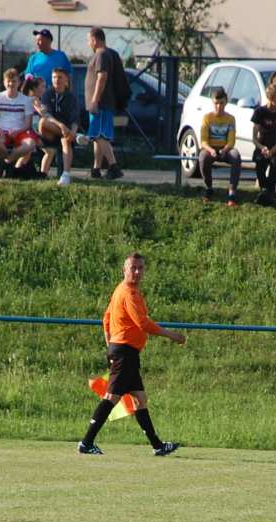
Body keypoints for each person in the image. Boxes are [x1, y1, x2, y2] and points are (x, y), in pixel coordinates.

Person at [79, 252, 186, 456]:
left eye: (140, 268)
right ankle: (86, 442)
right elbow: (143, 323)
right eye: (133, 268)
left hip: (124, 351)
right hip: (125, 352)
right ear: (124, 270)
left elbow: (106, 318)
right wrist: (171, 335)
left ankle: (157, 446)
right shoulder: (128, 293)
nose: (137, 272)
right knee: (112, 397)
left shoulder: (120, 290)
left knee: (139, 398)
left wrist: (110, 345)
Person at [84, 27, 124, 180]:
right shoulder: (104, 54)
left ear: (95, 39)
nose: (88, 43)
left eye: (89, 40)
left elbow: (102, 77)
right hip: (101, 104)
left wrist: (94, 100)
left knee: (99, 135)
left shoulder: (101, 54)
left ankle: (114, 167)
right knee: (98, 137)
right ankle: (96, 168)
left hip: (100, 104)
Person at [0, 68, 38, 179]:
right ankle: (9, 165)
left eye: (14, 81)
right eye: (8, 81)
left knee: (30, 144)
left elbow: (28, 124)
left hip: (20, 132)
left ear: (19, 83)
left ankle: (5, 164)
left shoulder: (25, 100)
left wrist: (18, 131)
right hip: (1, 131)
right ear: (4, 82)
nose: (11, 84)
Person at [198, 86, 241, 206]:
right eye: (216, 103)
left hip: (225, 149)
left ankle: (232, 193)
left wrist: (225, 150)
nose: (219, 106)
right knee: (202, 157)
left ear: (226, 102)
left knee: (236, 156)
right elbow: (203, 141)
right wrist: (211, 150)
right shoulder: (207, 118)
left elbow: (231, 140)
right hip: (211, 149)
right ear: (213, 103)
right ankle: (209, 188)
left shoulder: (230, 119)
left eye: (221, 103)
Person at [251, 83, 276, 207]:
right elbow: (254, 137)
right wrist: (262, 147)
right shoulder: (259, 112)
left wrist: (272, 150)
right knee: (259, 161)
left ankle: (270, 192)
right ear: (271, 98)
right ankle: (264, 191)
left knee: (275, 162)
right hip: (263, 145)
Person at [39, 67, 79, 186]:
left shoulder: (71, 97)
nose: (57, 80)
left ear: (66, 79)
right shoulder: (47, 94)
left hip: (65, 134)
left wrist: (73, 131)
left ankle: (66, 175)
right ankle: (77, 137)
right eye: (54, 77)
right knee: (42, 122)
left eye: (60, 77)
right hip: (50, 132)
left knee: (66, 141)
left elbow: (75, 118)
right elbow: (46, 114)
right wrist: (61, 125)